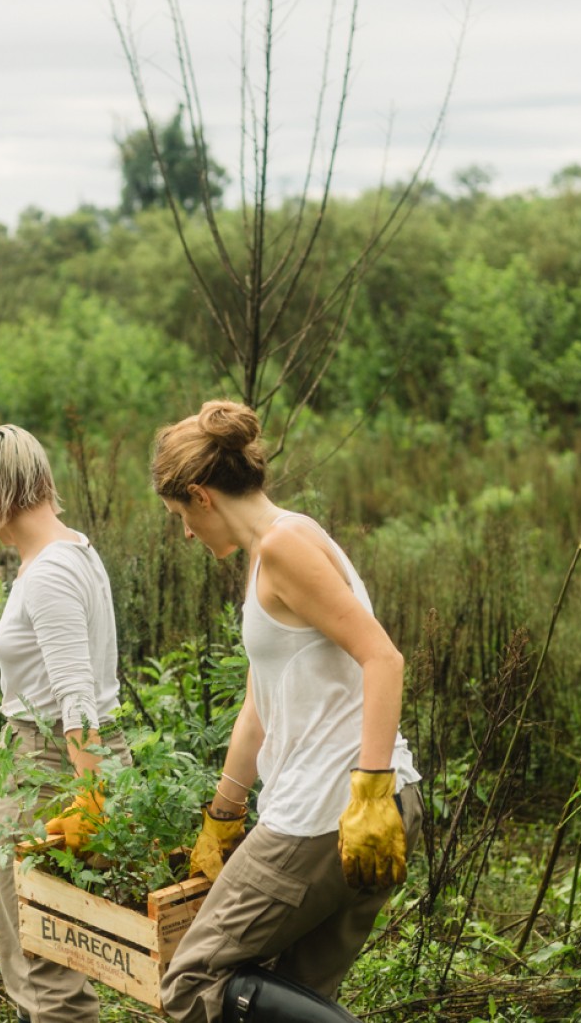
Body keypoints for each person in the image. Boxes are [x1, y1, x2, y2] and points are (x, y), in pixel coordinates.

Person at [152, 401, 422, 1023]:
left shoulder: (285, 546)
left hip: (333, 811)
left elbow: (383, 658)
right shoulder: (273, 551)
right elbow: (259, 703)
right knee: (298, 990)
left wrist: (371, 794)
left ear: (201, 495)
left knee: (191, 983)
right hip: (349, 809)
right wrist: (223, 814)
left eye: (179, 518)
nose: (186, 535)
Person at [0, 424, 129, 1023]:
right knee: (54, 956)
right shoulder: (71, 551)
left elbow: (75, 697)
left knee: (44, 969)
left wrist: (90, 799)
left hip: (51, 769)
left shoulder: (52, 570)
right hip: (68, 761)